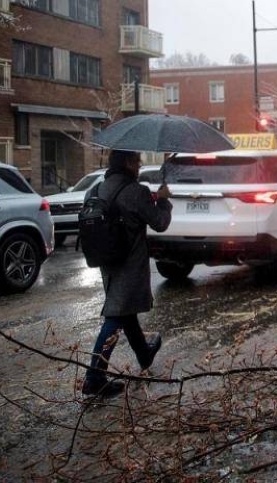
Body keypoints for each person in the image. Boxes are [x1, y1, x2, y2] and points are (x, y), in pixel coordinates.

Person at [82, 150, 173, 398]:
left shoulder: (98, 189)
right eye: (136, 161)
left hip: (106, 260)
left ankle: (144, 354)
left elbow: (123, 209)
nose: (140, 164)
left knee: (123, 309)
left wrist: (151, 198)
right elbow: (160, 222)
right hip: (129, 262)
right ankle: (94, 378)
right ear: (128, 163)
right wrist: (163, 200)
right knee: (116, 313)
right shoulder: (136, 191)